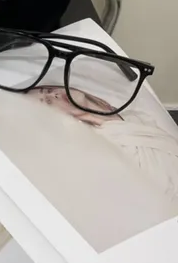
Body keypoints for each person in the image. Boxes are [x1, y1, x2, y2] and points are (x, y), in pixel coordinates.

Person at [27, 85, 178, 201]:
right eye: (48, 102)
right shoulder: (93, 147)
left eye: (49, 90)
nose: (54, 95)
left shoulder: (136, 116)